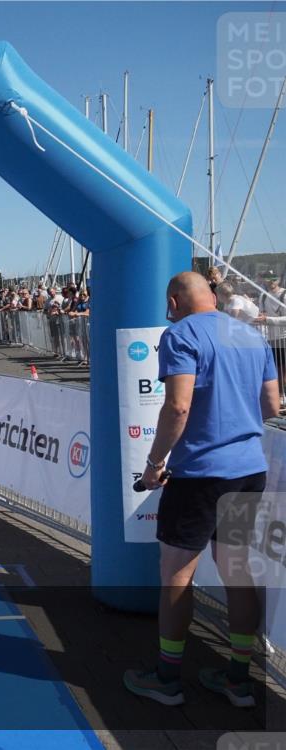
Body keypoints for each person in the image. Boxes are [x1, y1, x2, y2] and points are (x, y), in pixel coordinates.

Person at [124, 272, 279, 708]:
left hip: (200, 474)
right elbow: (272, 405)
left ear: (174, 301)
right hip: (249, 469)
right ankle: (238, 680)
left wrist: (155, 465)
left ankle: (168, 679)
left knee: (176, 573)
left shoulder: (180, 334)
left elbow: (178, 405)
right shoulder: (252, 336)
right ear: (211, 296)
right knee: (237, 570)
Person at [256, 270, 286, 411]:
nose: (271, 281)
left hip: (284, 337)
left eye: (274, 278)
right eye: (268, 278)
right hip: (271, 338)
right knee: (275, 368)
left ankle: (281, 395)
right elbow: (261, 314)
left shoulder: (284, 295)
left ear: (278, 279)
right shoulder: (263, 296)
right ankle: (278, 396)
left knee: (282, 368)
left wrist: (268, 319)